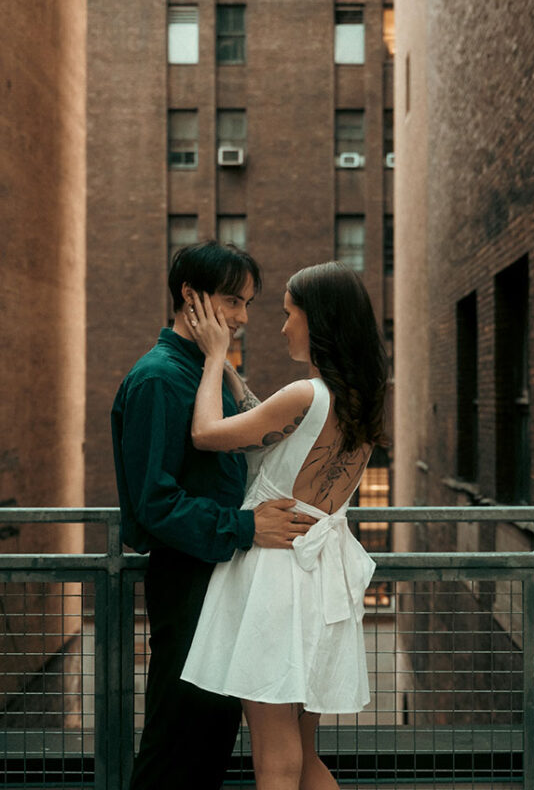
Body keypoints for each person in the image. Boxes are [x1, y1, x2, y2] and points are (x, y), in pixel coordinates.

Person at [111, 240, 317, 790]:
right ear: (190, 296)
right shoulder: (158, 379)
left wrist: (220, 365)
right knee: (176, 749)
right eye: (232, 301)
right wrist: (248, 527)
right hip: (187, 582)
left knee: (207, 747)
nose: (243, 317)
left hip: (222, 578)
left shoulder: (203, 373)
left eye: (247, 303)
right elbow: (155, 502)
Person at [180, 261, 389, 790]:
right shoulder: (359, 401)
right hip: (320, 583)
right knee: (303, 754)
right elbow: (273, 430)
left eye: (289, 313)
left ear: (319, 321)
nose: (281, 327)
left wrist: (215, 357)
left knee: (275, 761)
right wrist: (233, 375)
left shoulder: (304, 394)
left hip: (276, 582)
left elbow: (206, 433)